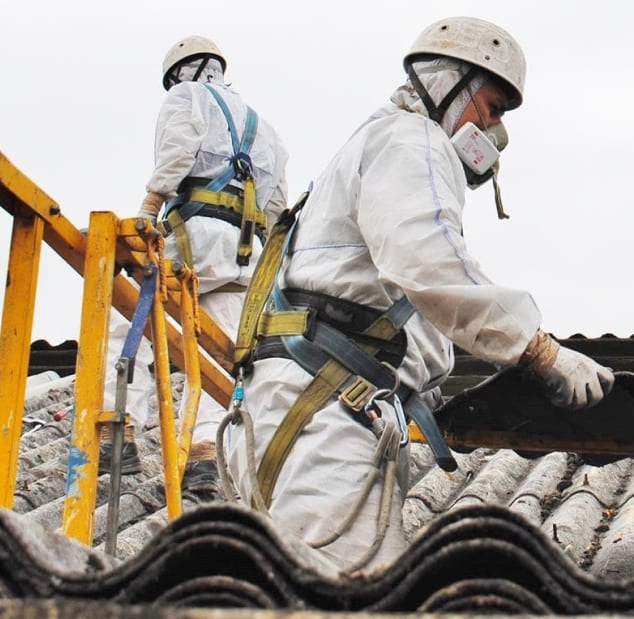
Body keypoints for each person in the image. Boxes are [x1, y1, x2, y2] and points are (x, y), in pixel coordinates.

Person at [225, 16, 614, 573]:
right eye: (493, 108)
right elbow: (430, 262)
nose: (494, 130)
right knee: (339, 599)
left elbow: (387, 293)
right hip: (326, 423)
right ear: (448, 85)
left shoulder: (377, 143)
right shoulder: (413, 140)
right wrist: (538, 349)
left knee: (304, 591)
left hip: (303, 407)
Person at [100, 35, 289, 496]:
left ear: (179, 74)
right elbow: (279, 205)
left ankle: (115, 429)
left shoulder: (187, 97)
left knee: (121, 309)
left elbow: (178, 150)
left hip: (196, 238)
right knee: (217, 357)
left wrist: (148, 208)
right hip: (246, 257)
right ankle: (205, 453)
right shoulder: (264, 128)